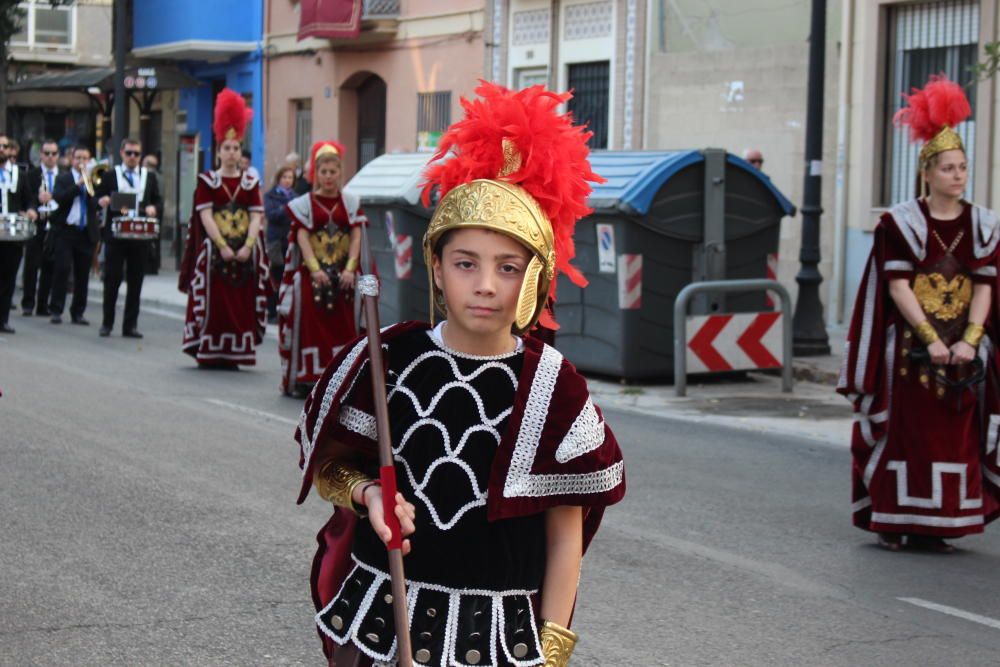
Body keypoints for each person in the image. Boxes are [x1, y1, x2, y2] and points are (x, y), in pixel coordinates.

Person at [294, 83, 626, 666]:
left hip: (495, 639)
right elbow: (331, 468)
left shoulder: (554, 386)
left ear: (534, 279)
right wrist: (368, 494)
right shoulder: (390, 356)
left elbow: (564, 535)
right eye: (466, 263)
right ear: (437, 269)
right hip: (384, 618)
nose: (486, 285)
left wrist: (552, 649)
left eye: (507, 267)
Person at [840, 76, 1000, 552]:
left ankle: (944, 525)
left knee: (956, 440)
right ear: (926, 172)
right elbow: (897, 285)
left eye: (963, 167)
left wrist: (970, 340)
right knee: (909, 436)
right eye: (948, 168)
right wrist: (930, 338)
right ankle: (896, 519)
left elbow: (986, 287)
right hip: (912, 352)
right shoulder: (902, 223)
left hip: (965, 355)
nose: (958, 175)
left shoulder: (983, 225)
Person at [179, 89, 267, 368]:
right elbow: (205, 217)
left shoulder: (251, 184)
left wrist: (247, 247)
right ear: (219, 151)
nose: (232, 153)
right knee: (214, 304)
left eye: (236, 148)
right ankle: (210, 349)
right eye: (227, 148)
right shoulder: (207, 182)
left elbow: (256, 217)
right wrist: (224, 247)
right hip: (216, 253)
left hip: (243, 253)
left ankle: (237, 352)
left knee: (241, 304)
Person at [277, 142, 365, 396]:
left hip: (343, 276)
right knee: (309, 322)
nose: (328, 176)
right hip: (313, 275)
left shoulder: (350, 202)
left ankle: (343, 376)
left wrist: (350, 269)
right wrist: (315, 270)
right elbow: (302, 238)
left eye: (333, 171)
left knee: (344, 325)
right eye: (323, 171)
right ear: (317, 173)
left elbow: (357, 236)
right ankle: (308, 376)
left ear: (340, 172)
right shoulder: (305, 204)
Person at [95, 137, 162, 338]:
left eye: (136, 154)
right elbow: (95, 197)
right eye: (129, 153)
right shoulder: (109, 175)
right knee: (112, 279)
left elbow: (158, 202)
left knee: (136, 281)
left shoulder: (148, 177)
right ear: (122, 154)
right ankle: (107, 323)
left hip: (139, 236)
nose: (133, 157)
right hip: (116, 235)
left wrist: (153, 208)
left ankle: (130, 325)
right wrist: (102, 200)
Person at [48, 145, 100, 325]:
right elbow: (60, 198)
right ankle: (56, 309)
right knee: (62, 269)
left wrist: (91, 190)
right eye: (78, 158)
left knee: (82, 274)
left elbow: (96, 205)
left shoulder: (94, 179)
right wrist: (78, 187)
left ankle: (78, 312)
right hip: (66, 231)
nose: (81, 162)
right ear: (72, 159)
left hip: (85, 232)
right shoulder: (63, 178)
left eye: (85, 158)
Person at [0, 134, 38, 333]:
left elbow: (29, 199)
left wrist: (31, 210)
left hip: (11, 235)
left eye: (4, 146)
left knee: (8, 278)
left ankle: (3, 319)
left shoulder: (19, 174)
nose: (1, 150)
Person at [22, 138, 60, 317]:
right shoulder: (32, 175)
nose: (50, 157)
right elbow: (26, 197)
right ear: (41, 155)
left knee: (50, 266)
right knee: (32, 265)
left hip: (55, 225)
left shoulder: (63, 176)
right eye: (47, 153)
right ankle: (28, 302)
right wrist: (37, 200)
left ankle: (43, 304)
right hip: (37, 224)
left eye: (54, 154)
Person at [264, 164, 297, 323]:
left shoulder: (296, 196)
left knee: (289, 276)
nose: (287, 180)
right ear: (279, 179)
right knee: (276, 276)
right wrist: (286, 209)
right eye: (284, 177)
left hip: (291, 241)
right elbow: (271, 215)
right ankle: (271, 311)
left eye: (290, 177)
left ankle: (287, 310)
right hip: (276, 242)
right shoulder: (271, 196)